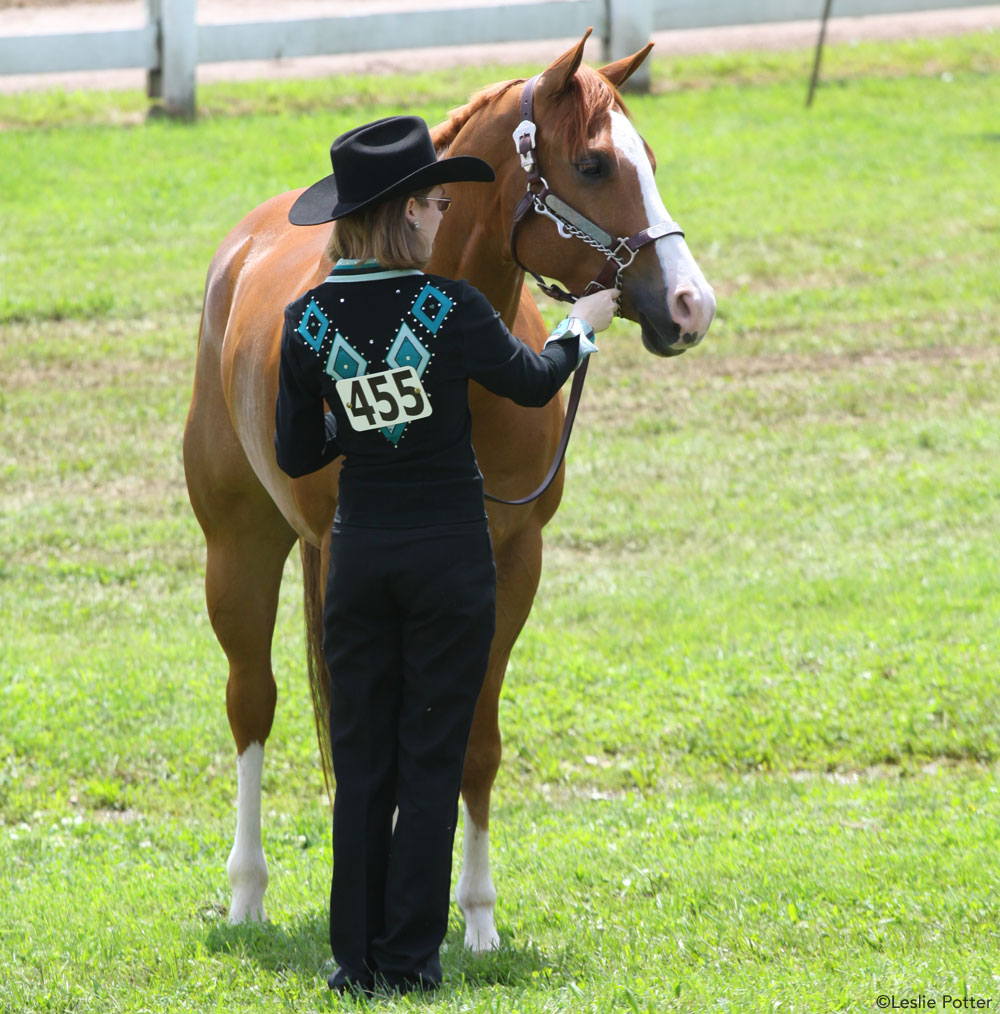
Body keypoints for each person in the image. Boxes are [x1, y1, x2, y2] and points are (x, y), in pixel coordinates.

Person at [273, 115, 618, 996]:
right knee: (431, 760)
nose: (439, 212)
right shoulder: (450, 309)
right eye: (431, 200)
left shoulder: (307, 320)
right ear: (403, 214)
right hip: (449, 563)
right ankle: (411, 962)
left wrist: (359, 411)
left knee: (363, 768)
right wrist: (581, 327)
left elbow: (300, 455)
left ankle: (354, 964)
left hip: (357, 560)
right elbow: (536, 382)